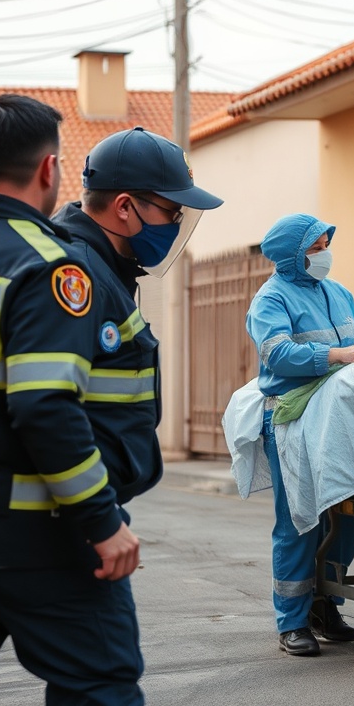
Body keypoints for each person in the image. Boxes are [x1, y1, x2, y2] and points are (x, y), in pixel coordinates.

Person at [0, 94, 142, 705]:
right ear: (50, 169)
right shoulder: (49, 267)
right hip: (33, 535)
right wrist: (102, 523)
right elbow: (44, 407)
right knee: (99, 683)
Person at [246, 212, 354, 656]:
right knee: (300, 517)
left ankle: (326, 605)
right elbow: (277, 354)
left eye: (324, 246)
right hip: (293, 417)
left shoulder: (338, 293)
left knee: (350, 507)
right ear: (291, 256)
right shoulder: (270, 299)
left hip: (337, 415)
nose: (324, 255)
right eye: (315, 249)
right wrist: (336, 353)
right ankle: (292, 621)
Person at [52, 127, 223, 510]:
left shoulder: (105, 269)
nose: (176, 224)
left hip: (91, 503)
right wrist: (96, 519)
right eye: (171, 211)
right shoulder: (77, 275)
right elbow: (51, 411)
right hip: (75, 513)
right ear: (125, 206)